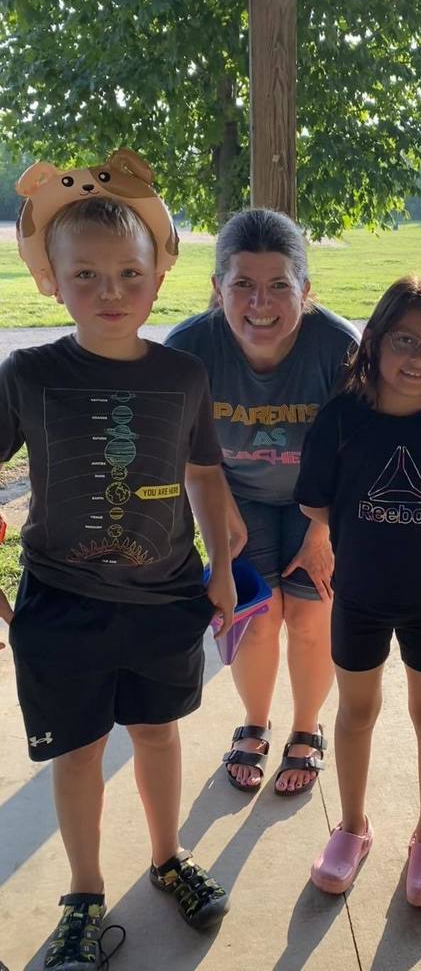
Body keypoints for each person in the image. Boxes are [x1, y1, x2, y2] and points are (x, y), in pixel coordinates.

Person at [2, 191, 237, 969]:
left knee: (159, 734)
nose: (110, 292)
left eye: (128, 274)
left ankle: (169, 858)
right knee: (77, 753)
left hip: (165, 598)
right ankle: (83, 893)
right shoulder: (27, 374)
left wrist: (224, 567)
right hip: (61, 605)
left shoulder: (184, 374)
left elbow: (204, 471)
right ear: (51, 280)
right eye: (88, 275)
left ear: (158, 278)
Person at [295, 275, 421, 906]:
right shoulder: (340, 421)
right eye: (405, 340)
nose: (419, 358)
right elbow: (319, 506)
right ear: (374, 342)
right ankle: (352, 827)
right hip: (359, 597)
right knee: (355, 714)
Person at [166, 209, 359, 796]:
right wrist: (218, 509)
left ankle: (306, 727)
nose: (261, 303)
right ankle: (254, 721)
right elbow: (183, 447)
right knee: (256, 619)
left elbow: (355, 452)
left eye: (279, 285)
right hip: (237, 496)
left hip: (319, 503)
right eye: (243, 284)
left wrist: (322, 533)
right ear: (217, 289)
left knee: (309, 614)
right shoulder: (189, 348)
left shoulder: (339, 347)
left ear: (306, 289)